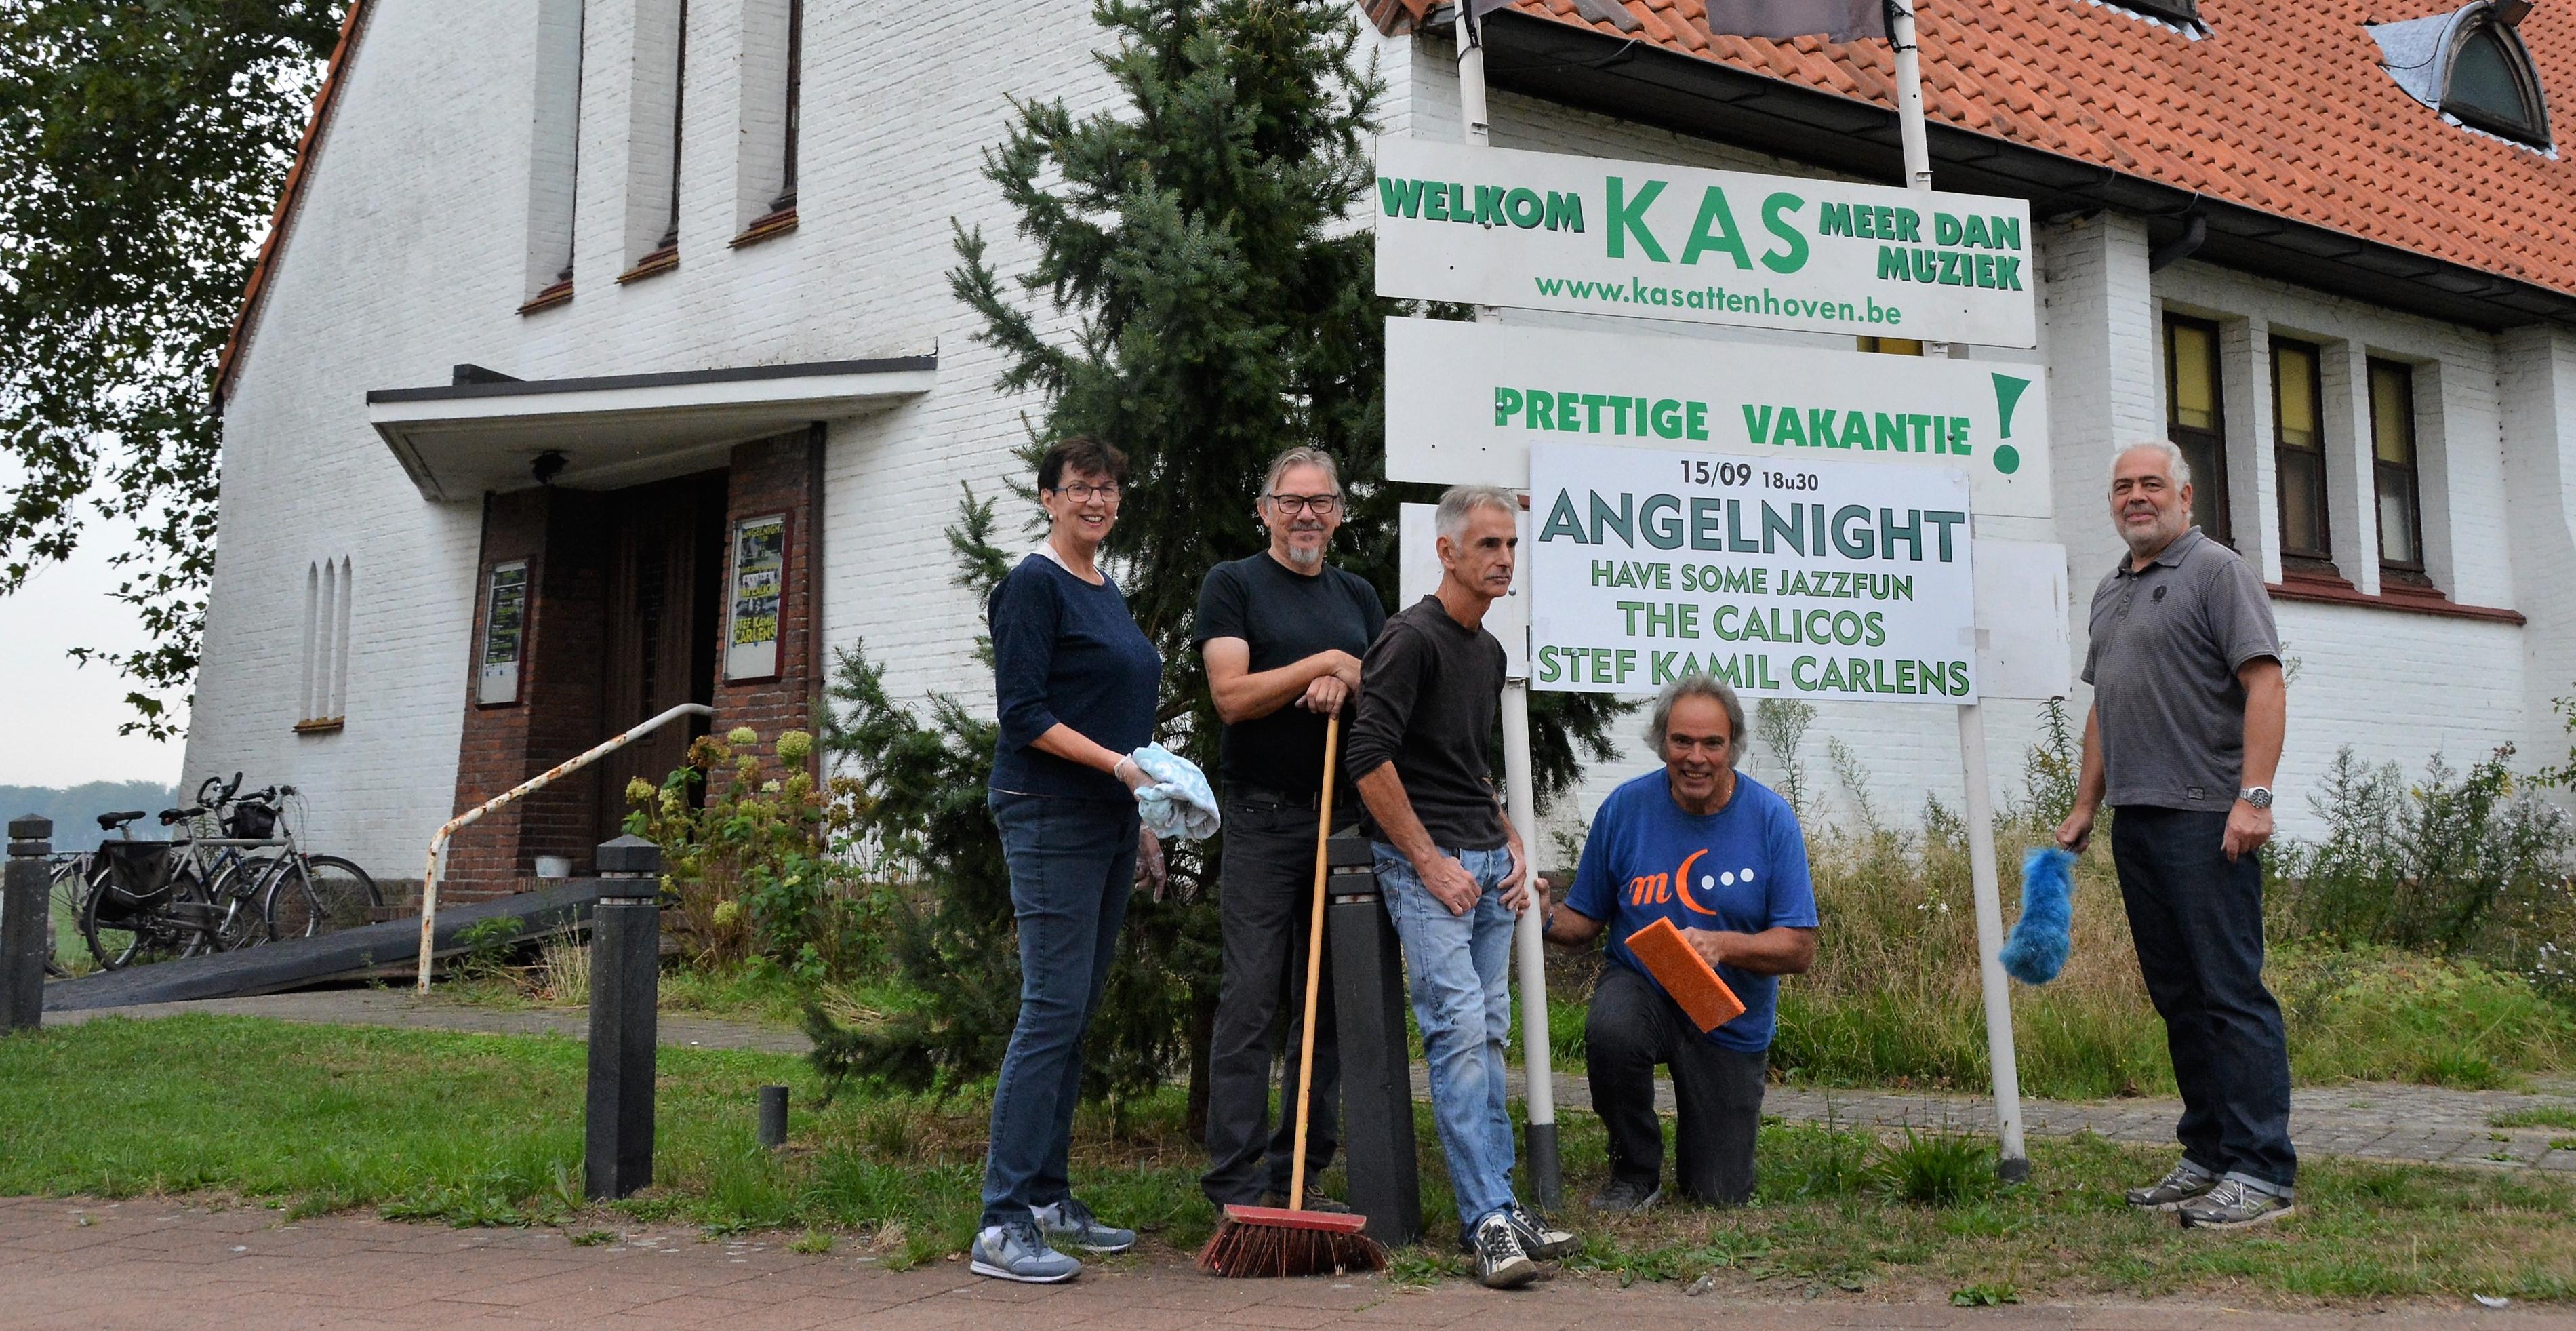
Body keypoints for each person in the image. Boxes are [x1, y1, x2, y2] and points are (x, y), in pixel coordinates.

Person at [2056, 439, 2294, 1231]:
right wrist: (2085, 804)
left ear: (2183, 497)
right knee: (2179, 999)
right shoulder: (2111, 589)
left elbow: (2263, 680)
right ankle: (2207, 1153)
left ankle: (2259, 1171)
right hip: (2137, 815)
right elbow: (2104, 705)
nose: (2134, 497)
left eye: (2149, 484)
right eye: (2121, 485)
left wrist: (2252, 797)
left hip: (2206, 815)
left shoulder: (2215, 571)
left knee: (2230, 994)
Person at [1346, 483, 1576, 1290]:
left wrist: (1509, 835)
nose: (1503, 559)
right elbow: (1366, 758)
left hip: (1485, 866)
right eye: (1487, 545)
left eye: (1510, 546)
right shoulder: (1408, 639)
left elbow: (1464, 765)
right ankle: (1484, 1221)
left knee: (1486, 1037)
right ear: (1446, 552)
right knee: (1454, 1030)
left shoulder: (1486, 650)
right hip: (1429, 871)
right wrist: (1426, 860)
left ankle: (1503, 1207)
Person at [971, 436, 1165, 1284]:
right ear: (1048, 497)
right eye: (1081, 487)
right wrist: (1120, 770)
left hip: (1108, 818)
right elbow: (1024, 715)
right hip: (1047, 815)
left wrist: (1144, 813)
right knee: (1049, 1009)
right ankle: (1000, 1222)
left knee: (1075, 1009)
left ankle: (1048, 1199)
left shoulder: (1103, 589)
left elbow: (1112, 716)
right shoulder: (1032, 586)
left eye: (1109, 488)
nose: (1097, 500)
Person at [1539, 675, 1816, 1211]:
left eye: (1712, 743)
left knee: (1717, 1193)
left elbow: (1799, 948)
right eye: (1681, 741)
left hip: (1726, 1015)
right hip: (1643, 987)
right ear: (1661, 741)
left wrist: (1723, 946)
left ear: (1732, 746)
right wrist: (1542, 912)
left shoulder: (1771, 818)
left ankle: (1704, 1157)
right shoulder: (1625, 809)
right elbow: (1582, 923)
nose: (1696, 757)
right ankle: (1635, 1171)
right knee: (1611, 1025)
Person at [1196, 447, 1384, 1212]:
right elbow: (1231, 696)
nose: (1306, 514)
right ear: (1265, 509)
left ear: (1338, 513)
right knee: (1249, 1000)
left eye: (1321, 501)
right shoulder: (1233, 585)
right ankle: (1235, 1184)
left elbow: (1390, 683)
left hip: (1341, 822)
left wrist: (1350, 675)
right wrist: (1325, 660)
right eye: (1291, 500)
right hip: (1263, 819)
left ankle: (1297, 1176)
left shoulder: (1358, 594)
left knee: (1326, 1007)